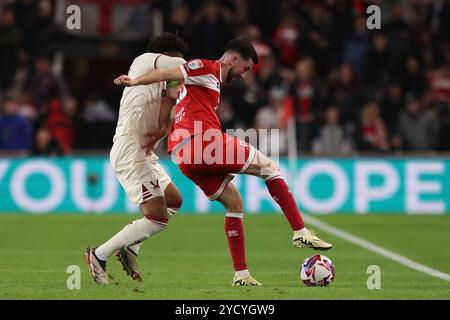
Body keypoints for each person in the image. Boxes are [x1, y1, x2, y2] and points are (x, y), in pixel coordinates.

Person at [114, 37, 332, 287]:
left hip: (185, 155)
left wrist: (163, 128)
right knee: (270, 168)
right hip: (202, 141)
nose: (244, 75)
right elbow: (165, 72)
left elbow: (171, 96)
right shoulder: (205, 67)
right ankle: (300, 232)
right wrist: (135, 81)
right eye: (246, 68)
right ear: (233, 60)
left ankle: (241, 274)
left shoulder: (205, 82)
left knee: (234, 201)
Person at [85, 33, 188, 285]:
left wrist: (164, 128)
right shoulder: (145, 61)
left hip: (144, 153)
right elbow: (185, 69)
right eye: (174, 61)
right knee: (157, 218)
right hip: (130, 150)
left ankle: (130, 248)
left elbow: (170, 102)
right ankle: (98, 254)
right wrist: (217, 68)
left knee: (174, 200)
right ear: (163, 56)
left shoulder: (164, 83)